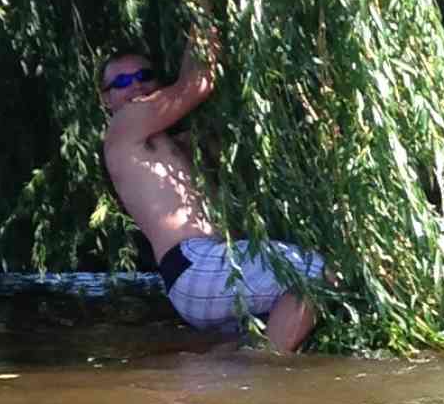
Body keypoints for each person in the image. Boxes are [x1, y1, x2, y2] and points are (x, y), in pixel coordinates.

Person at [99, 31, 321, 351]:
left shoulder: (172, 145)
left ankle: (238, 371)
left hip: (205, 271)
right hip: (195, 266)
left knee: (250, 340)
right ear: (106, 99)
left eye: (144, 76)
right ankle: (268, 368)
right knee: (314, 272)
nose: (136, 86)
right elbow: (197, 84)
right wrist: (202, 16)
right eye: (121, 82)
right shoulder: (123, 128)